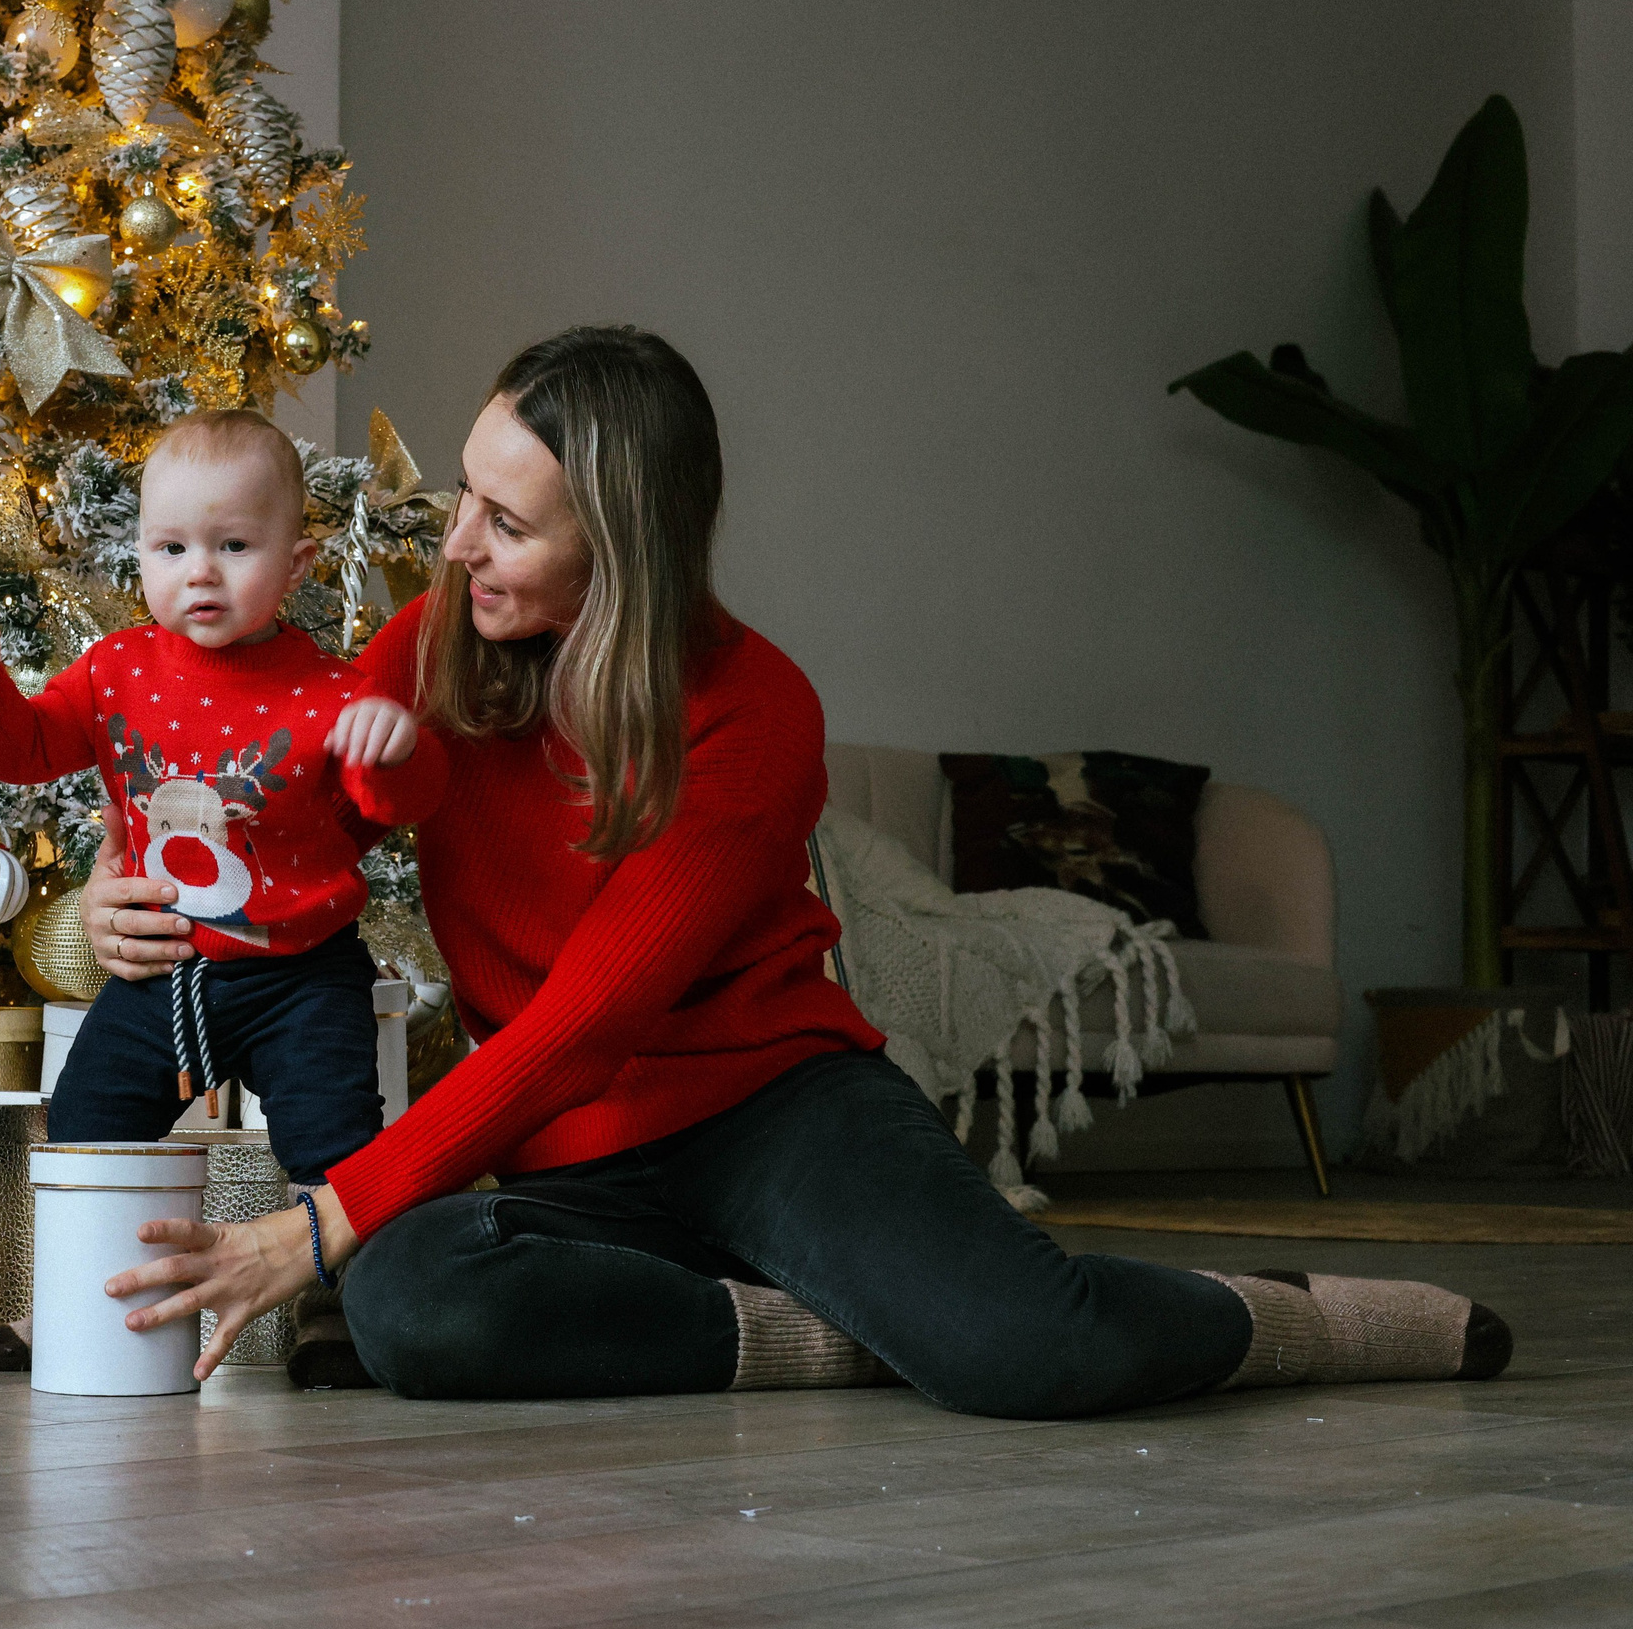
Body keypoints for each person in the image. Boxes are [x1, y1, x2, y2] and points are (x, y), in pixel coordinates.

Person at [76, 325, 1512, 1411]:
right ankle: (830, 1326)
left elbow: (593, 1018)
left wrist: (318, 1214)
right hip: (578, 1155)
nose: (454, 545)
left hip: (774, 1104)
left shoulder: (754, 711)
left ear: (622, 544)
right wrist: (111, 882)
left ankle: (1292, 1315)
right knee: (410, 1306)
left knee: (1027, 1352)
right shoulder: (437, 645)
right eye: (465, 497)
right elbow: (276, 817)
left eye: (505, 523)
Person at [0, 409, 446, 1371]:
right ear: (142, 554)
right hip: (163, 966)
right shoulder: (119, 669)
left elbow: (386, 804)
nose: (199, 571)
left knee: (335, 1142)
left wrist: (391, 744)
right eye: (171, 546)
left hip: (301, 973)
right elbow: (28, 749)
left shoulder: (332, 688)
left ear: (298, 564)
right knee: (88, 1120)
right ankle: (70, 1300)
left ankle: (339, 1316)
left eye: (234, 545)